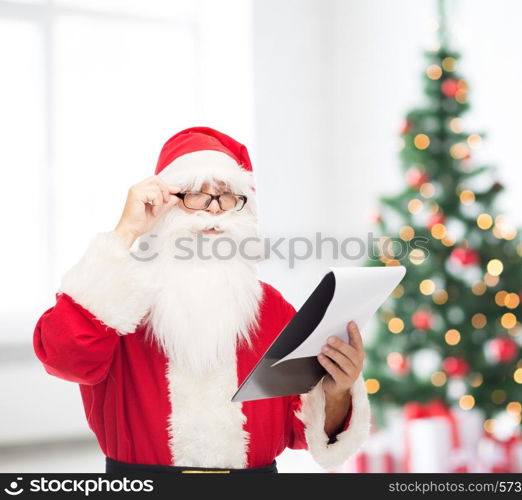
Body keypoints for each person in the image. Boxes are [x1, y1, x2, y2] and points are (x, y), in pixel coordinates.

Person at [33, 126, 371, 473]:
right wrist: (126, 232)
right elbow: (65, 358)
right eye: (195, 193)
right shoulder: (118, 295)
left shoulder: (272, 309)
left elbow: (300, 430)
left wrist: (338, 392)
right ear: (164, 204)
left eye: (226, 195)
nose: (213, 210)